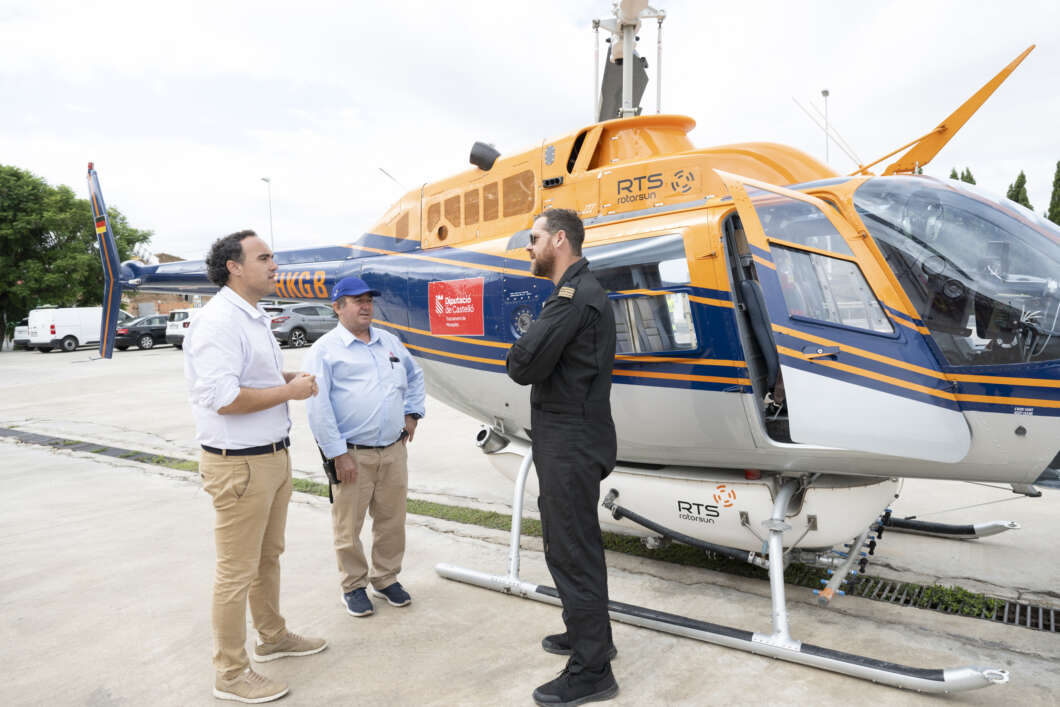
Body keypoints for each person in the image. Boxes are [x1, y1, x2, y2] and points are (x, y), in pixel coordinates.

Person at [185, 229, 327, 704]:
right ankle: (229, 673)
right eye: (263, 257)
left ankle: (272, 635)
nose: (273, 265)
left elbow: (253, 379)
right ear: (234, 266)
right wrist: (288, 393)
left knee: (267, 558)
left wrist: (289, 378)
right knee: (236, 571)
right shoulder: (217, 322)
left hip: (272, 457)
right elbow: (224, 399)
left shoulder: (252, 316)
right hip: (239, 467)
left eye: (273, 257)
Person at [506, 208, 619, 706]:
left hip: (570, 442)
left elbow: (522, 364)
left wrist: (523, 342)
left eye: (533, 239)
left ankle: (592, 670)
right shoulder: (578, 291)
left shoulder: (571, 299)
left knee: (570, 550)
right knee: (576, 544)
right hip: (574, 437)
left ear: (559, 240)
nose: (528, 248)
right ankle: (591, 637)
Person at [303, 276, 426, 618]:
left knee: (391, 520)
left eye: (368, 300)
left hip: (393, 449)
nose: (365, 306)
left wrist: (412, 414)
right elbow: (317, 407)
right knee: (349, 525)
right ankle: (354, 585)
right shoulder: (324, 351)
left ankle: (386, 579)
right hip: (352, 454)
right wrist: (336, 453)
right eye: (357, 301)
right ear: (338, 307)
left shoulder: (388, 342)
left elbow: (414, 377)